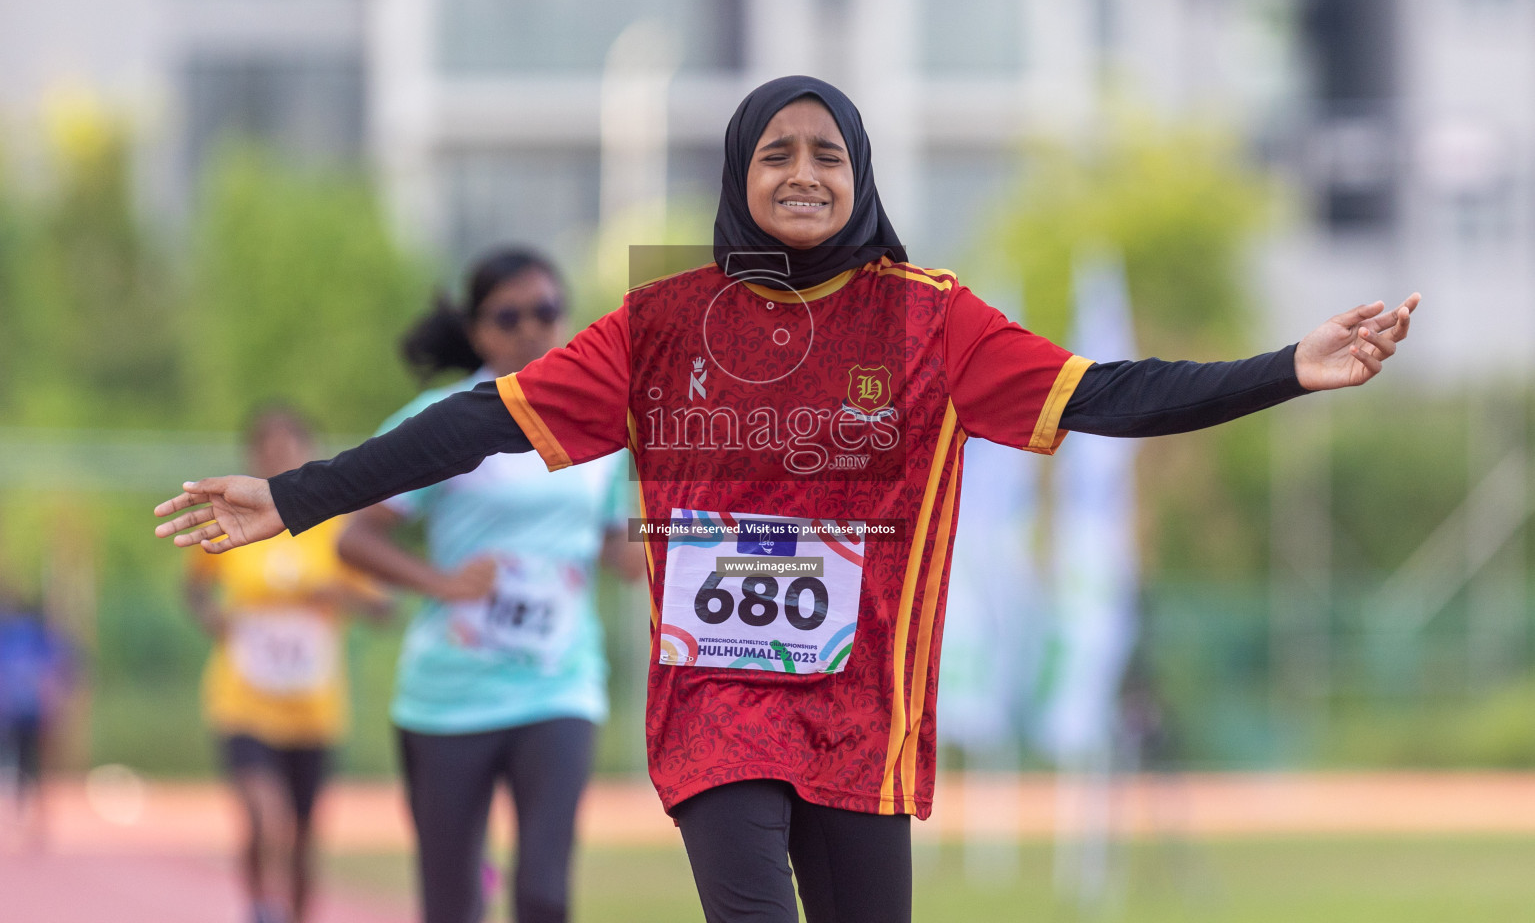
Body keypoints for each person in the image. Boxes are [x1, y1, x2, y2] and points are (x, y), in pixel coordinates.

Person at [156, 76, 1419, 923]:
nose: (802, 172)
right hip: (715, 703)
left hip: (865, 714)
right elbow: (479, 419)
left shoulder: (930, 317)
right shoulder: (662, 324)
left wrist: (1289, 370)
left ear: (859, 174)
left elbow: (1110, 394)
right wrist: (296, 495)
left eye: (827, 153)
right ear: (738, 174)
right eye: (775, 152)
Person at [335, 249, 643, 923]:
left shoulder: (599, 421)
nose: (531, 328)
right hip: (451, 694)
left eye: (546, 311)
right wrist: (439, 582)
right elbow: (354, 538)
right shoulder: (441, 418)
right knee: (452, 905)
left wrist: (664, 550)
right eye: (509, 316)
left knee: (543, 894)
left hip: (559, 682)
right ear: (478, 331)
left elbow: (614, 542)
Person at [184, 406, 389, 923]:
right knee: (263, 821)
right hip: (243, 699)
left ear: (308, 451)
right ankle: (259, 908)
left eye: (289, 445)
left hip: (313, 707)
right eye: (266, 447)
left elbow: (382, 607)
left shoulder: (335, 527)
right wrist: (216, 619)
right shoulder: (229, 519)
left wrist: (337, 593)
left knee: (302, 838)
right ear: (250, 456)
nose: (277, 456)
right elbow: (195, 590)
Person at [0, 584, 73, 850]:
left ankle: (26, 815)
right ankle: (34, 817)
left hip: (21, 712)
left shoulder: (12, 637)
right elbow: (63, 669)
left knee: (22, 763)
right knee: (34, 764)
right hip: (35, 712)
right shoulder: (41, 637)